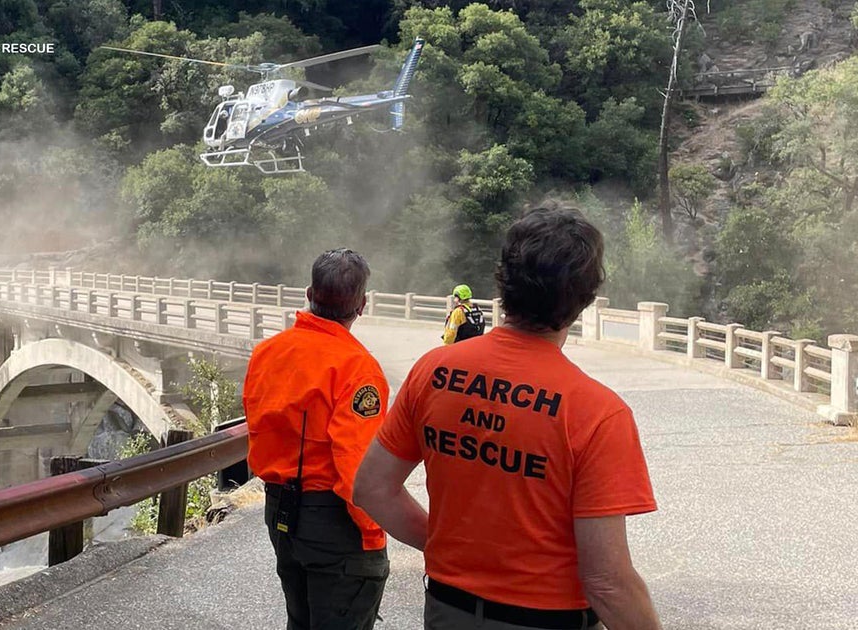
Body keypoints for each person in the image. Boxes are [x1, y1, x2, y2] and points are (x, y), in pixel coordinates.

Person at [354, 208, 662, 630]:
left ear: (503, 282)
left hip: (448, 611)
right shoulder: (596, 412)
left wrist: (445, 548)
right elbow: (607, 582)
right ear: (585, 300)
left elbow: (372, 488)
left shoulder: (433, 371)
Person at [244, 248, 391, 630]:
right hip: (334, 522)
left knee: (300, 619)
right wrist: (373, 535)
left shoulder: (266, 353)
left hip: (280, 513)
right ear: (362, 305)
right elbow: (357, 470)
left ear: (309, 293)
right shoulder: (357, 368)